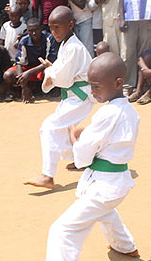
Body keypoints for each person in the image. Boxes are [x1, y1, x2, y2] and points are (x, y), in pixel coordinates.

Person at [38, 52, 140, 261]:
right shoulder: (129, 111)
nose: (92, 91)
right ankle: (125, 246)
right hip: (113, 182)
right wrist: (85, 135)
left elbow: (84, 156)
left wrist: (74, 136)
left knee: (61, 232)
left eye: (95, 86)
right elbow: (106, 139)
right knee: (102, 209)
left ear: (117, 83)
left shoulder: (107, 113)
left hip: (105, 185)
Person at [24, 6, 94, 188]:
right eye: (51, 27)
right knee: (60, 132)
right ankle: (82, 160)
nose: (54, 32)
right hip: (73, 96)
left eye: (58, 27)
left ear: (70, 25)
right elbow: (63, 70)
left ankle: (48, 175)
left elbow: (63, 78)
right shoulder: (66, 44)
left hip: (79, 97)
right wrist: (52, 68)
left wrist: (50, 71)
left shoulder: (73, 47)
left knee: (48, 127)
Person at [3, 17, 57, 103]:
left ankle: (44, 90)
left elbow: (49, 61)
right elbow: (19, 63)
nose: (34, 33)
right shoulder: (24, 41)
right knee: (8, 75)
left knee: (49, 72)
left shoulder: (49, 38)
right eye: (30, 31)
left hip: (42, 68)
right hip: (28, 67)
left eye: (36, 30)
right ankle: (12, 92)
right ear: (27, 31)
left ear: (41, 29)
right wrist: (24, 86)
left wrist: (29, 73)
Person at [119, 0, 151, 89]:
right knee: (128, 53)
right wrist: (121, 18)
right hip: (130, 17)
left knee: (146, 54)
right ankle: (128, 85)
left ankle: (144, 85)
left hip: (149, 17)